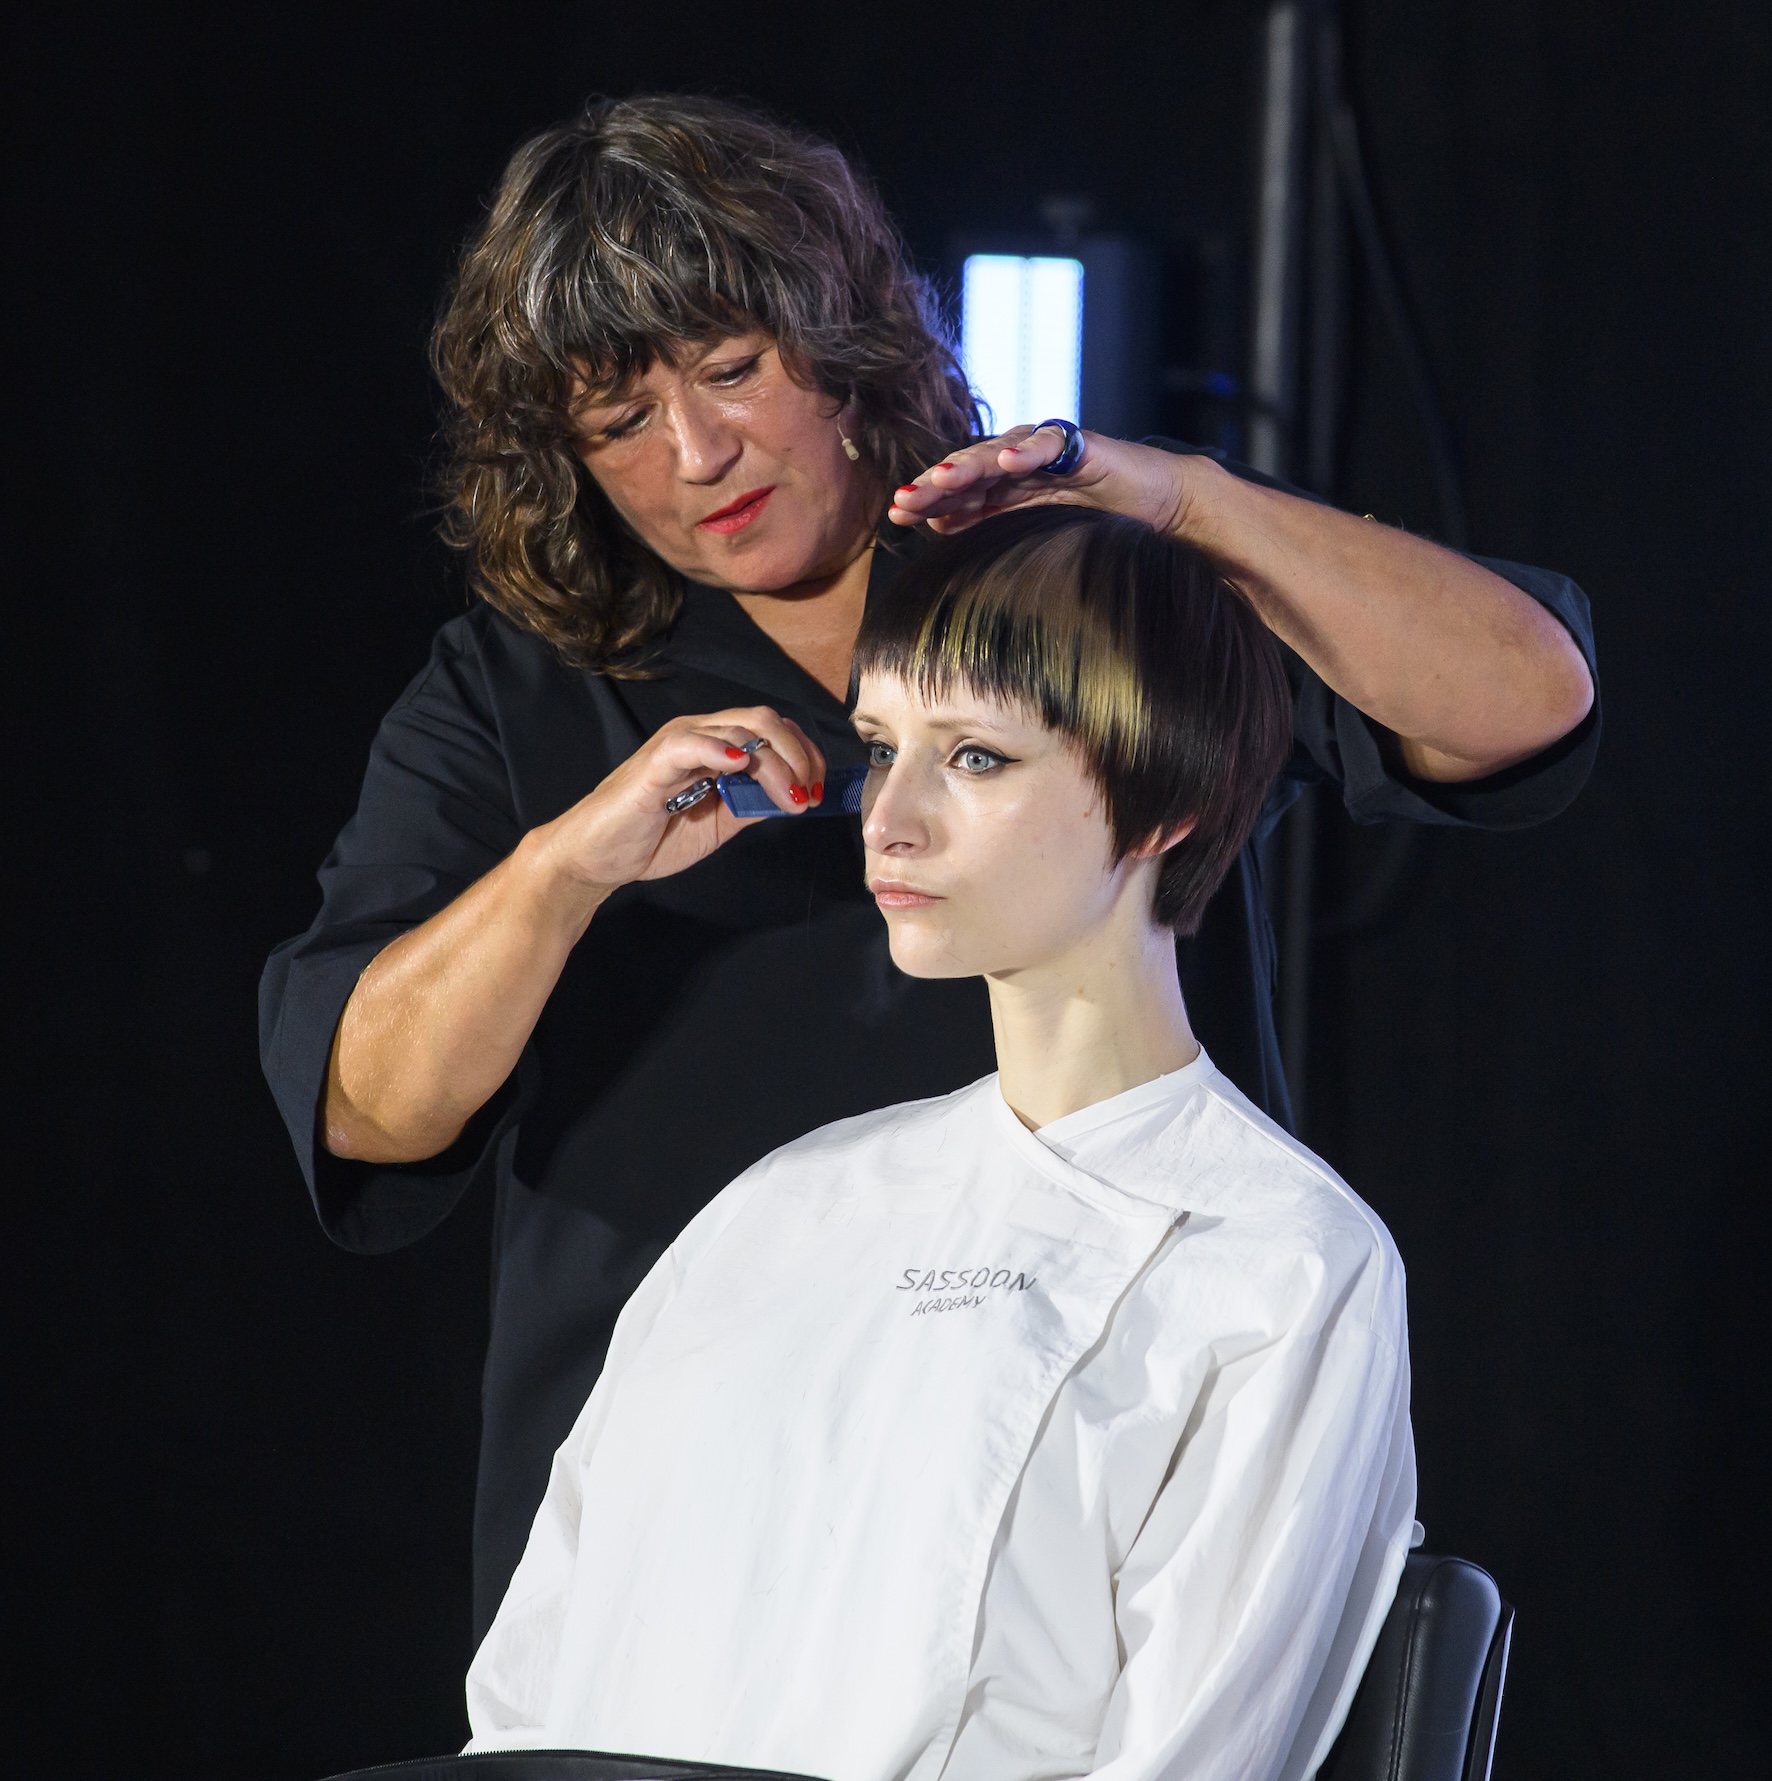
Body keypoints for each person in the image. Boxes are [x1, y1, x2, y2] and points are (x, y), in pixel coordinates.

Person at [257, 94, 1595, 1640]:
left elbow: (1525, 702)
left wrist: (1194, 506)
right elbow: (368, 1109)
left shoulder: (1070, 572)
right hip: (681, 1534)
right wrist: (565, 868)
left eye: (731, 370)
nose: (695, 454)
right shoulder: (511, 694)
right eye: (620, 421)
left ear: (839, 329)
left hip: (1085, 1470)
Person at [464, 507, 1415, 1781]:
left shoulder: (1277, 1260)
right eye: (878, 747)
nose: (888, 818)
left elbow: (1198, 1749)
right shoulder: (779, 1206)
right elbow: (532, 1689)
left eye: (973, 756)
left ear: (1165, 803)